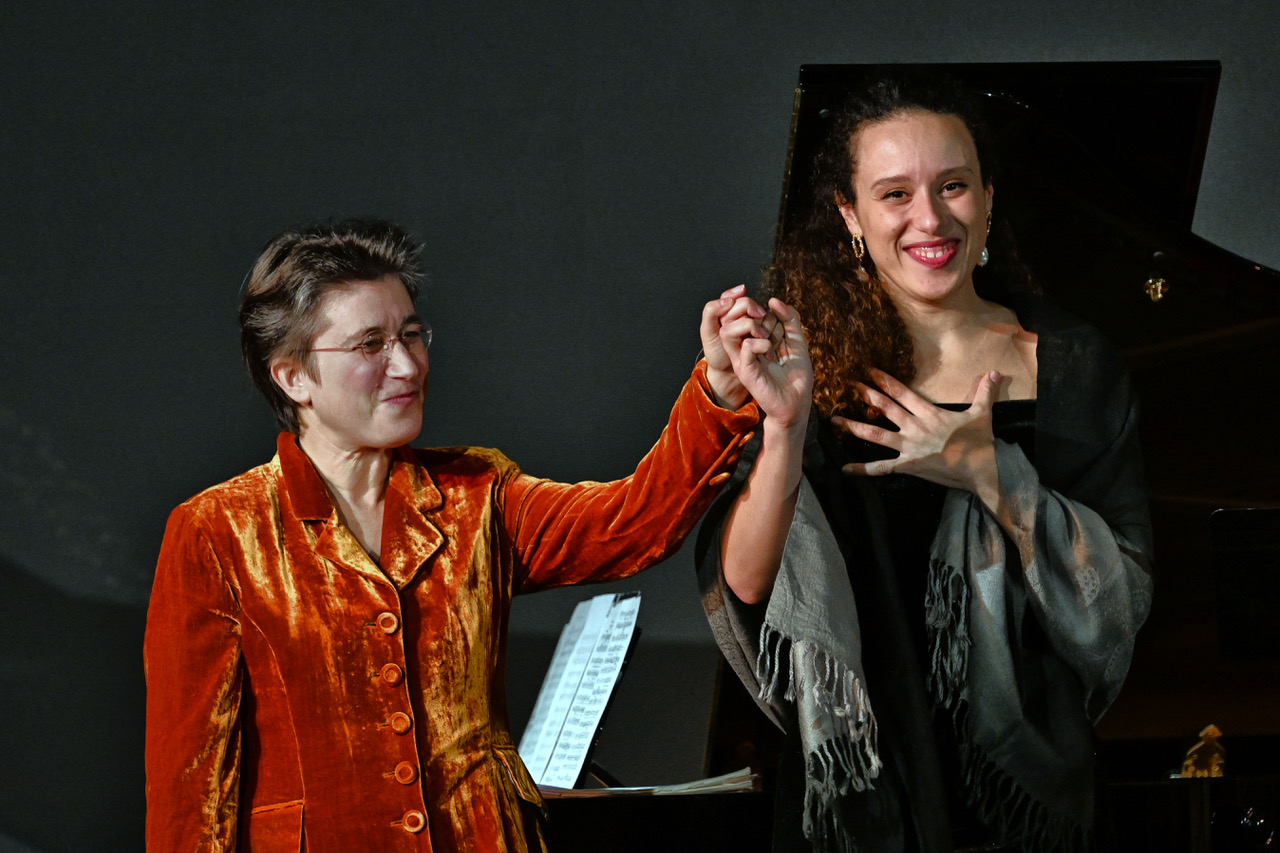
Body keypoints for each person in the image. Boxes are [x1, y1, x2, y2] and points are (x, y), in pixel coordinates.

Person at [143, 218, 804, 852]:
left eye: (411, 334)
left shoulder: (475, 495)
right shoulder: (218, 533)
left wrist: (717, 387)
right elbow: (190, 802)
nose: (407, 365)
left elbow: (633, 523)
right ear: (291, 375)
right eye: (371, 344)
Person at [698, 74, 1154, 853]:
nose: (930, 219)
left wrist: (991, 474)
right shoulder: (806, 365)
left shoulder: (1076, 367)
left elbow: (1119, 606)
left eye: (953, 187)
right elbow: (745, 585)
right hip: (861, 806)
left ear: (987, 198)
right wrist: (782, 424)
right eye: (894, 194)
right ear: (850, 215)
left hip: (1029, 809)